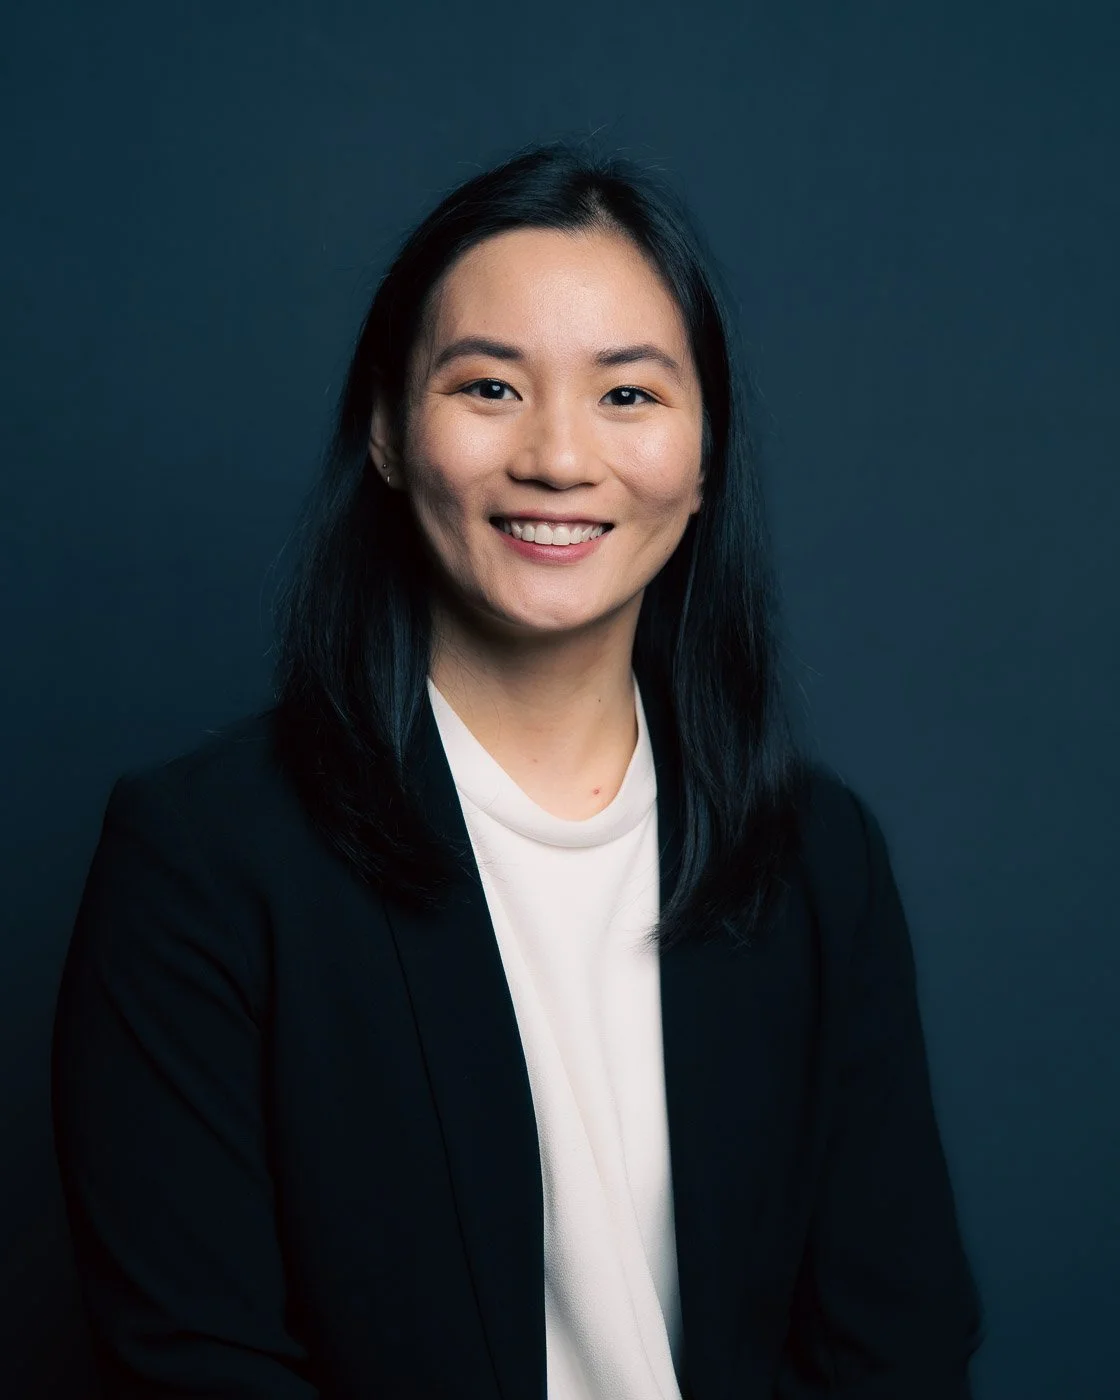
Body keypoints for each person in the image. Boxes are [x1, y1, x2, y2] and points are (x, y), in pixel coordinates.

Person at [51, 140, 984, 1399]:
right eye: (488, 387)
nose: (556, 456)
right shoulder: (206, 858)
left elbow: (897, 1343)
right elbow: (193, 1360)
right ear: (387, 430)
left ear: (705, 457)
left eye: (628, 395)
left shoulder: (815, 855)